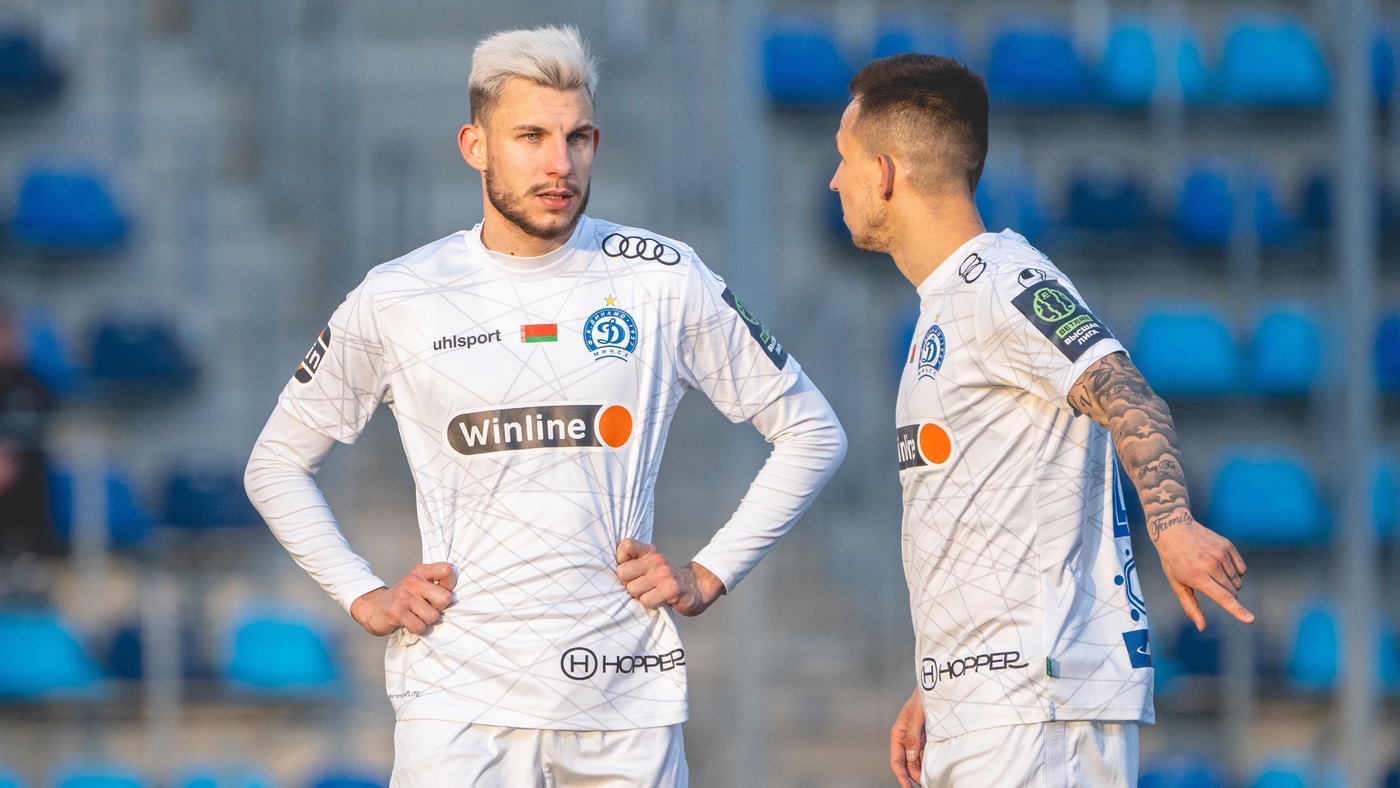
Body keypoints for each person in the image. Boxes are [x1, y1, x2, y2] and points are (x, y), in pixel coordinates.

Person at [244, 25, 845, 788]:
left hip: (623, 704)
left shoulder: (663, 278)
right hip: (458, 707)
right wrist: (363, 594)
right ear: (475, 146)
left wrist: (708, 572)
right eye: (530, 137)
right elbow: (275, 464)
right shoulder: (399, 295)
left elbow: (812, 432)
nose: (560, 164)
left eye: (578, 137)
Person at [827, 54, 1253, 787]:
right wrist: (941, 680)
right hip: (988, 704)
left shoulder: (1003, 281)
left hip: (1039, 707)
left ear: (886, 172)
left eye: (845, 159)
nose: (835, 181)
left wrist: (1173, 525)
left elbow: (1126, 391)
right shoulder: (944, 306)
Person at [0, 303, 56, 600]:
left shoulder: (31, 386)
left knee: (32, 467)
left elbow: (32, 436)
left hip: (22, 481)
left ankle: (29, 559)